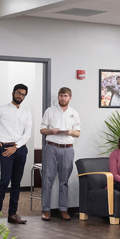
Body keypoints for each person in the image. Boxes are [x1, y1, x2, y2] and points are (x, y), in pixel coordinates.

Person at [0, 83, 32, 225]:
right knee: (4, 182)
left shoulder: (26, 112)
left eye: (23, 94)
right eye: (18, 93)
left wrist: (17, 146)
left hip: (20, 149)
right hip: (5, 149)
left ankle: (12, 214)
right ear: (13, 92)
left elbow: (27, 133)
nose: (20, 96)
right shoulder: (2, 109)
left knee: (16, 183)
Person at [40, 87, 81, 221]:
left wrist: (70, 132)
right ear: (58, 97)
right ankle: (45, 210)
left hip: (67, 148)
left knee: (64, 181)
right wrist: (52, 131)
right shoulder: (50, 111)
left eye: (65, 96)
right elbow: (42, 130)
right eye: (61, 96)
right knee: (47, 179)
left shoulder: (74, 113)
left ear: (70, 98)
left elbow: (78, 133)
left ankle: (63, 209)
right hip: (51, 147)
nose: (63, 98)